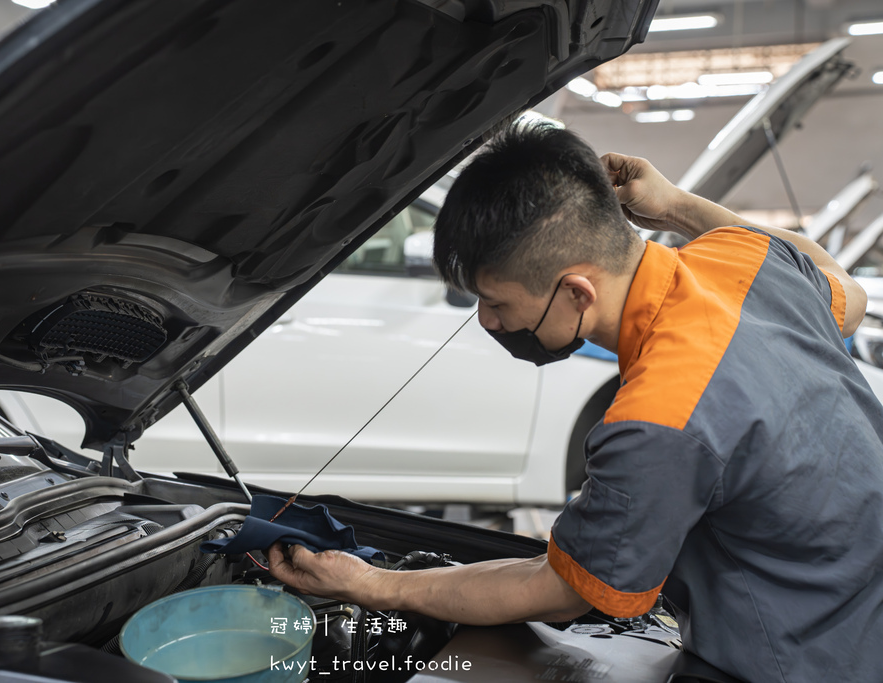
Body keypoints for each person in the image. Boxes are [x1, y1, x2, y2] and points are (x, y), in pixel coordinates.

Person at [267, 121, 883, 682]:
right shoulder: (743, 257)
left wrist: (378, 586)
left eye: (497, 302)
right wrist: (673, 205)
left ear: (576, 292)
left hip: (799, 660)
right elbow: (846, 291)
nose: (486, 320)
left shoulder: (659, 418)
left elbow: (560, 590)